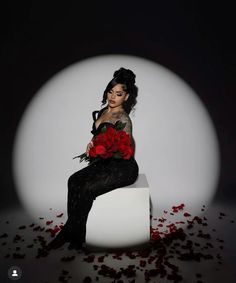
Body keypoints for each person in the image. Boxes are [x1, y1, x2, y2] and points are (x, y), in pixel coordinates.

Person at [47, 67, 139, 250]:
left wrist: (102, 150)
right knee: (73, 180)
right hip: (105, 162)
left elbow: (124, 151)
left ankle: (71, 234)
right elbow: (99, 137)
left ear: (126, 97)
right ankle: (75, 233)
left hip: (123, 167)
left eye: (118, 94)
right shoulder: (104, 110)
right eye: (110, 92)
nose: (113, 97)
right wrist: (92, 145)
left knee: (88, 189)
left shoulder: (124, 119)